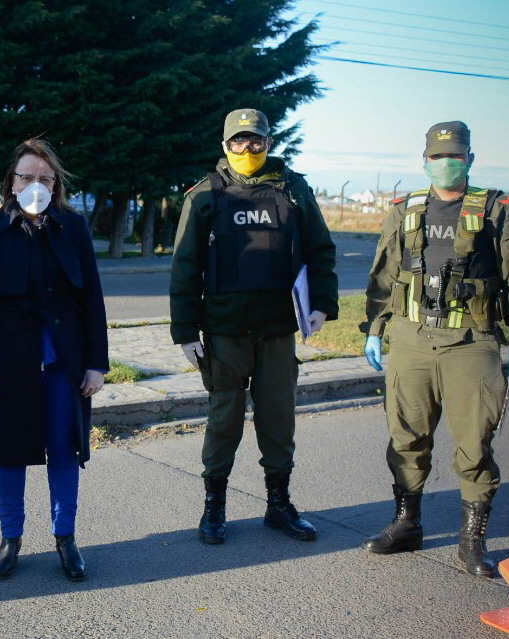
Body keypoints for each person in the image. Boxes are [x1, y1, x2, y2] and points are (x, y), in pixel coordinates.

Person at [170, 108, 338, 545]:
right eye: (239, 142)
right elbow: (184, 268)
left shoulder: (295, 189)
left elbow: (321, 249)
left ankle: (278, 505)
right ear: (225, 145)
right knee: (224, 419)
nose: (248, 149)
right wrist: (185, 332)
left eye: (257, 141)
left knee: (278, 420)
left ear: (268, 142)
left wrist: (322, 305)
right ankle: (214, 506)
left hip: (278, 330)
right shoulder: (205, 195)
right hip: (224, 333)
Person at [361, 121, 509, 578]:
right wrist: (375, 328)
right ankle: (406, 524)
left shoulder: (497, 211)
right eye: (438, 156)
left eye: (455, 155)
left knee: (475, 444)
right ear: (424, 160)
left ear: (470, 159)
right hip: (412, 341)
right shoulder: (405, 210)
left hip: (472, 343)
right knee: (407, 437)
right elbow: (383, 275)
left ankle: (473, 542)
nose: (446, 164)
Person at [0, 138, 108, 582]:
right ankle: (11, 538)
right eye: (27, 176)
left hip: (63, 360)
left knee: (65, 449)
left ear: (56, 184)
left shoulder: (74, 227)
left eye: (46, 178)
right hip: (8, 363)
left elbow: (93, 299)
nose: (36, 185)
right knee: (10, 451)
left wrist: (96, 363)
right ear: (12, 181)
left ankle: (66, 537)